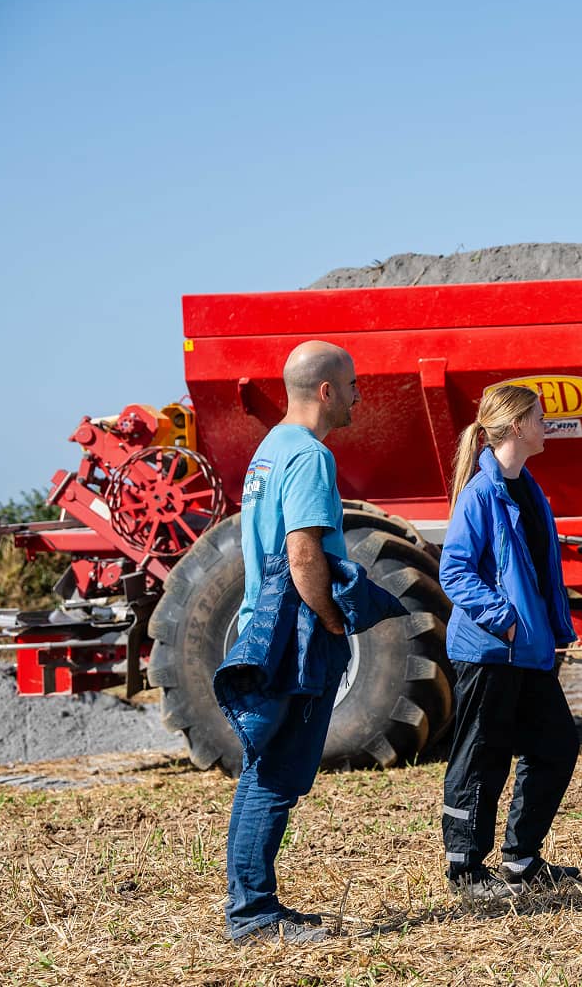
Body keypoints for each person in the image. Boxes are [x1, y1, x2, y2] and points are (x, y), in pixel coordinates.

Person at [221, 340, 363, 944]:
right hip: (297, 633)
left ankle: (250, 904)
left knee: (264, 767)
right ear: (326, 391)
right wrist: (335, 623)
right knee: (278, 773)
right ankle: (253, 915)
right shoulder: (309, 457)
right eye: (353, 384)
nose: (360, 395)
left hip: (265, 623)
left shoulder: (269, 449)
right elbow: (305, 556)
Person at [439, 384, 581, 904]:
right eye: (540, 417)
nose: (547, 425)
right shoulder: (482, 493)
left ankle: (521, 859)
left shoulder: (528, 487)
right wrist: (507, 620)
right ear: (517, 426)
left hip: (528, 651)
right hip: (489, 649)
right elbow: (453, 570)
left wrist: (549, 628)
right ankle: (465, 870)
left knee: (556, 747)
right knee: (482, 757)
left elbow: (539, 571)